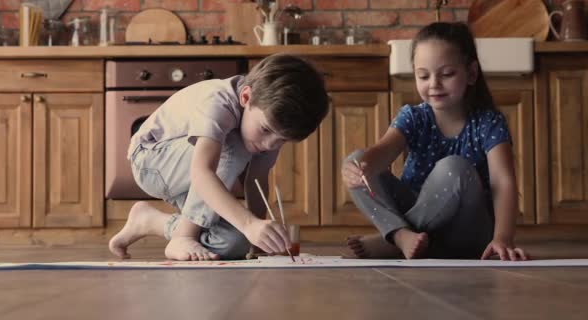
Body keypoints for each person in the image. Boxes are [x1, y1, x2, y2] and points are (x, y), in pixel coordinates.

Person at [109, 54, 329, 261]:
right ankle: (183, 236)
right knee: (234, 145)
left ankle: (149, 221)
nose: (270, 144)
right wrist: (249, 223)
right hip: (151, 161)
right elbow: (201, 172)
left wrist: (258, 235)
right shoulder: (219, 101)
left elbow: (256, 182)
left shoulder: (268, 127)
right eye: (265, 130)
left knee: (234, 242)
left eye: (282, 140)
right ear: (245, 97)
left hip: (192, 177)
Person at [343, 22, 528, 261]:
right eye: (423, 75)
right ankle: (402, 236)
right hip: (419, 224)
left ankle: (393, 239)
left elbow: (503, 182)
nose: (433, 84)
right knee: (355, 159)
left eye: (447, 74)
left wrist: (503, 238)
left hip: (468, 233)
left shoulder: (488, 122)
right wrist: (363, 166)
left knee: (454, 168)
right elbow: (383, 151)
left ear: (471, 73)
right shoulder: (413, 116)